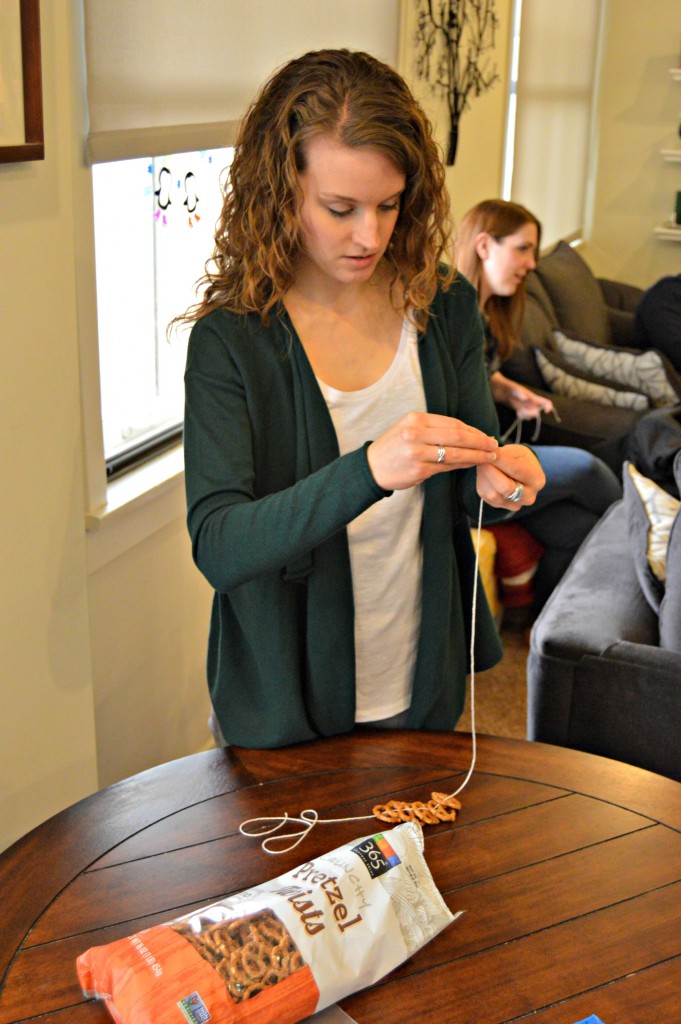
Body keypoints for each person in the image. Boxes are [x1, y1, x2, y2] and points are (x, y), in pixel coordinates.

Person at [178, 51, 544, 749]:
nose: (369, 236)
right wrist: (369, 469)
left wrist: (499, 482)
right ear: (278, 192)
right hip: (287, 694)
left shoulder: (443, 307)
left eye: (388, 204)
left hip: (420, 668)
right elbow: (220, 548)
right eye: (339, 208)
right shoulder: (232, 342)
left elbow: (464, 480)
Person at [456, 199, 622, 614]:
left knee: (577, 528)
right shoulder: (453, 317)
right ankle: (642, 543)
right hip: (471, 476)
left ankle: (542, 625)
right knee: (585, 468)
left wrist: (507, 390)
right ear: (483, 246)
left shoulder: (486, 314)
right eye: (523, 249)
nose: (531, 263)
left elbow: (473, 376)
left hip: (494, 461)